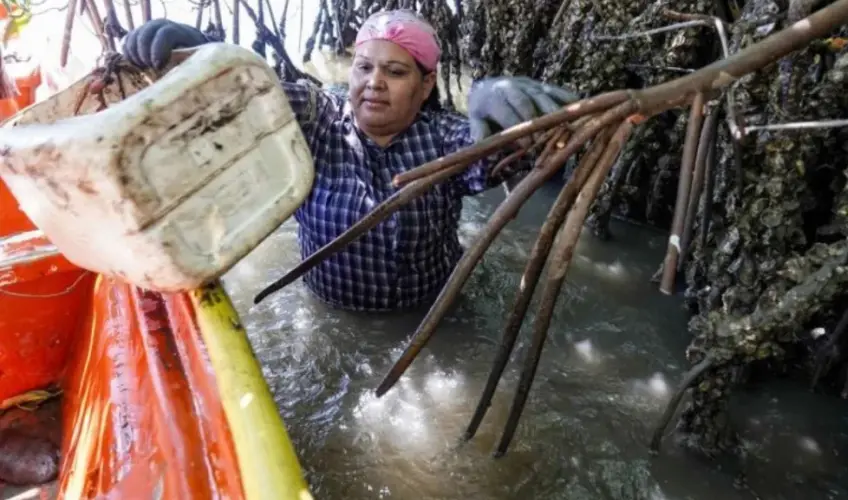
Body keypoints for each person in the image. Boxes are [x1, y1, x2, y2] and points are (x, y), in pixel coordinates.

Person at [122, 11, 579, 312]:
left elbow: (508, 157)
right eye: (364, 68)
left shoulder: (445, 139)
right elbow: (255, 95)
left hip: (429, 314)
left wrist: (497, 108)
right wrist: (208, 56)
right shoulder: (317, 117)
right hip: (327, 311)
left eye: (396, 72)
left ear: (425, 86)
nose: (375, 82)